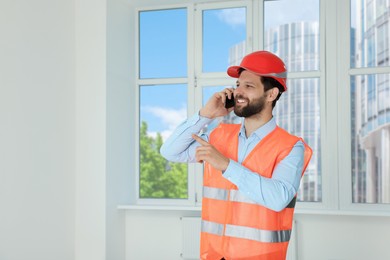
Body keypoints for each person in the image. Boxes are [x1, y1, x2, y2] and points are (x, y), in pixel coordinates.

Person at [160, 50, 312, 260]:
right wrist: (206, 114)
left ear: (271, 94)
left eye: (249, 86)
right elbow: (170, 151)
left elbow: (278, 199)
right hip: (214, 255)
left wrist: (226, 165)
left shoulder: (290, 147)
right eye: (238, 85)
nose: (239, 92)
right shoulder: (219, 135)